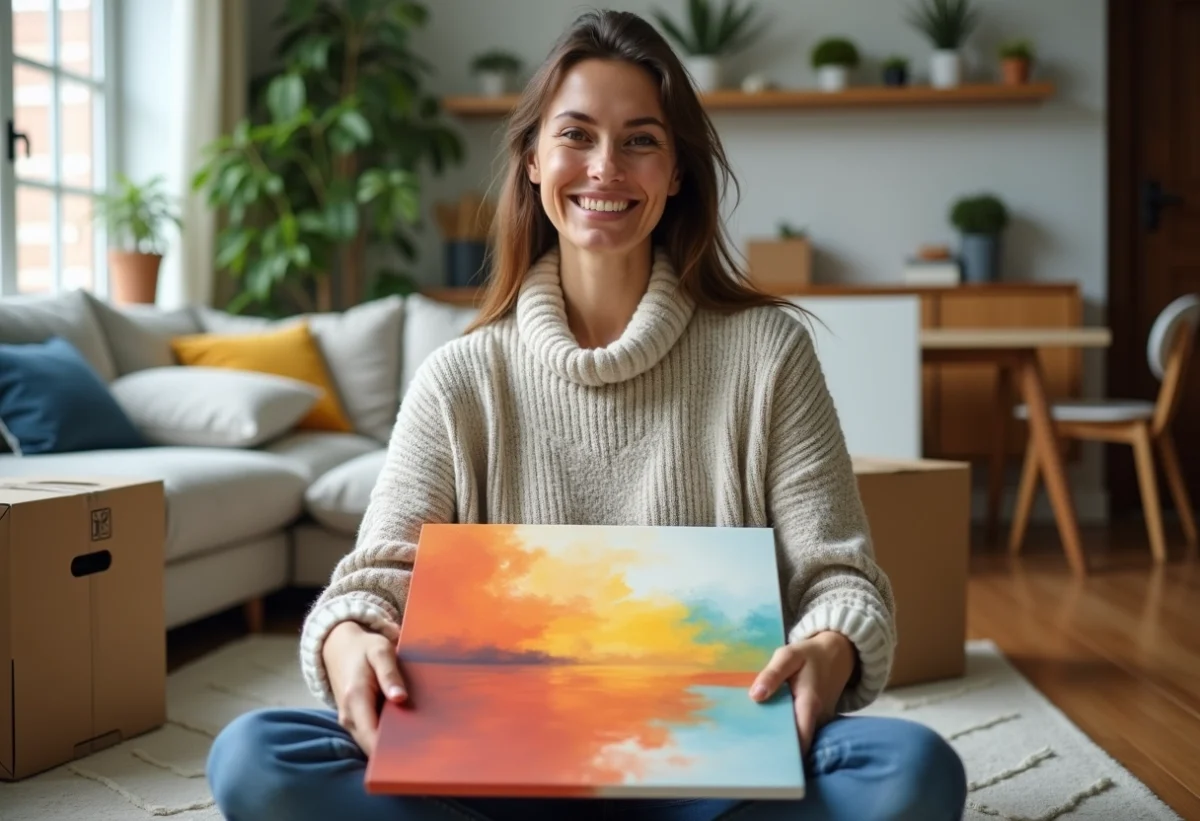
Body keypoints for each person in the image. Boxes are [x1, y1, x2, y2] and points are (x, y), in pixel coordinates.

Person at [206, 9, 967, 821]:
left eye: (641, 140)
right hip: (493, 766)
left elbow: (839, 577)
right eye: (577, 135)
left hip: (709, 765)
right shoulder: (460, 376)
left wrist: (827, 648)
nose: (606, 167)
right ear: (533, 160)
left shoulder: (767, 354)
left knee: (911, 770)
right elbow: (372, 582)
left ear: (677, 172)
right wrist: (349, 636)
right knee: (255, 757)